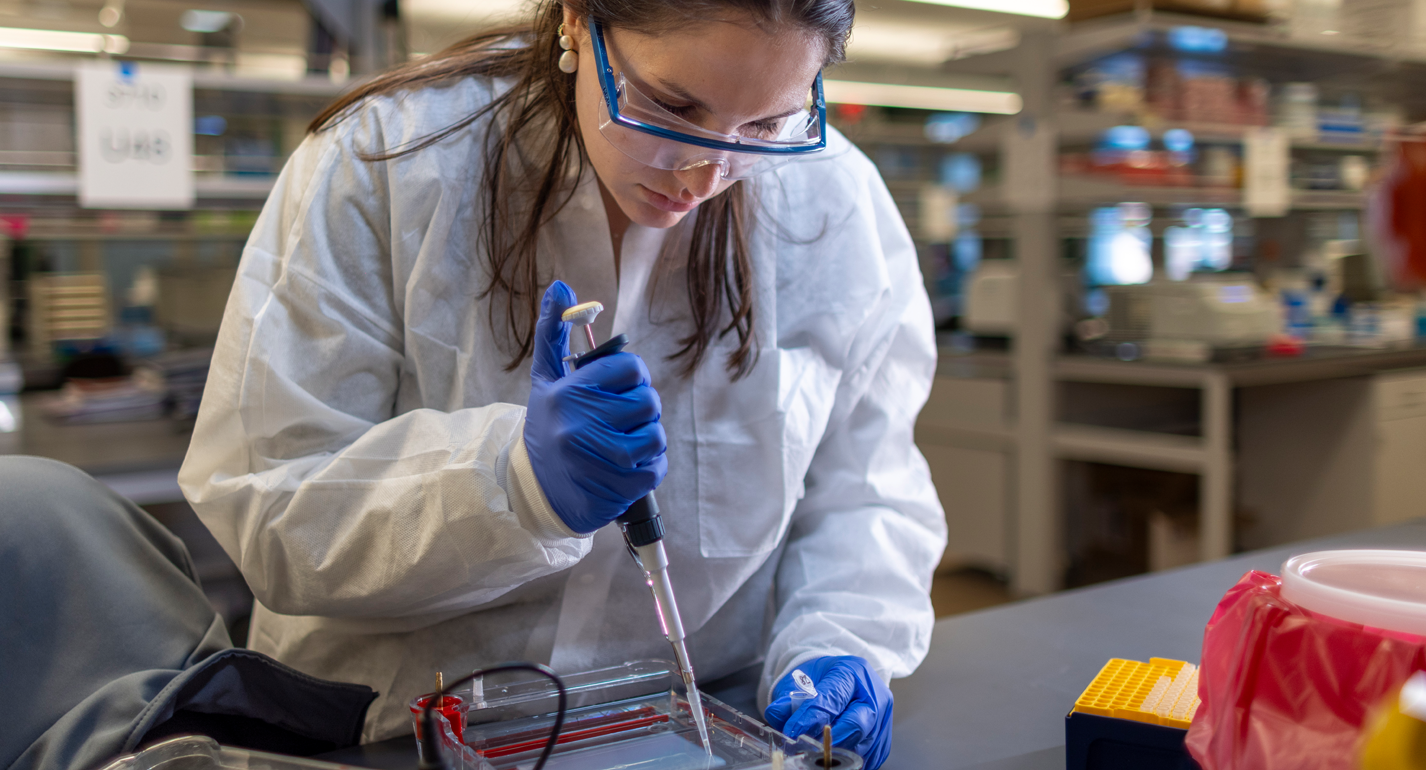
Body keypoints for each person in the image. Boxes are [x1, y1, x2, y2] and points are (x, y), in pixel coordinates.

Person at [177, 0, 945, 766]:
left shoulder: (835, 204)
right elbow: (268, 501)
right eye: (673, 106)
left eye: (765, 126)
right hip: (393, 738)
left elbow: (863, 485)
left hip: (695, 724)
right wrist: (513, 485)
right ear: (578, 22)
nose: (707, 173)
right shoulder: (386, 159)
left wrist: (839, 640)